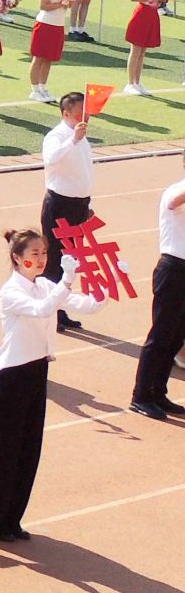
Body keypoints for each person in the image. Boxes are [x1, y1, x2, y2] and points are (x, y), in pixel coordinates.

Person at [0, 229, 103, 541]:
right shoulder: (11, 291)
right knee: (4, 449)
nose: (41, 259)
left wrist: (107, 285)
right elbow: (43, 309)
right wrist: (67, 280)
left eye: (44, 253)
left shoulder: (45, 285)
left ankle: (12, 519)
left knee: (29, 447)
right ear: (16, 258)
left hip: (37, 371)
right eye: (34, 254)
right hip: (11, 375)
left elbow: (86, 305)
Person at [129, 149, 185, 421]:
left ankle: (158, 392)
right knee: (161, 335)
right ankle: (140, 396)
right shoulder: (175, 190)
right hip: (173, 270)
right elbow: (174, 202)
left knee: (177, 335)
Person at [39, 90, 95, 333]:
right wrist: (73, 139)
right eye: (80, 112)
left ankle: (61, 310)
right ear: (66, 113)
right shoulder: (57, 136)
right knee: (55, 260)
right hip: (60, 205)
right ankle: (51, 312)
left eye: (87, 112)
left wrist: (87, 205)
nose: (85, 117)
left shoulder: (81, 138)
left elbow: (84, 171)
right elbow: (51, 158)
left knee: (71, 259)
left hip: (78, 205)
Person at [29, 0, 73, 100]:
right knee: (39, 58)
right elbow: (44, 6)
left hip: (58, 25)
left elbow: (67, 5)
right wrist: (60, 3)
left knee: (49, 58)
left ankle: (43, 87)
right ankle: (34, 89)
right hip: (45, 24)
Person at [124, 0, 168, 96]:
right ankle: (130, 83)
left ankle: (137, 82)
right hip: (142, 13)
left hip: (152, 13)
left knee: (142, 52)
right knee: (136, 50)